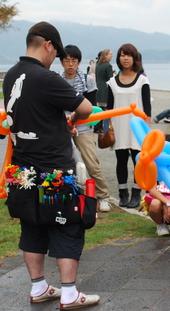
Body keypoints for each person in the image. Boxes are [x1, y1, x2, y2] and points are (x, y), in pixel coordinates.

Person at [2, 21, 99, 310]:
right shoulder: (47, 78)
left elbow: (32, 113)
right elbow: (84, 109)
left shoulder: (10, 75)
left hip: (21, 170)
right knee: (67, 225)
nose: (54, 60)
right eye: (55, 54)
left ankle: (39, 287)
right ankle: (69, 293)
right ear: (48, 45)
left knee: (30, 224)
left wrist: (57, 118)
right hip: (52, 171)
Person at [59, 44, 111, 212]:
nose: (70, 65)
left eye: (73, 61)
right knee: (67, 164)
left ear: (79, 62)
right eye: (66, 61)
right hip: (64, 128)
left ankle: (103, 197)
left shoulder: (87, 80)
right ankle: (74, 196)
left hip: (83, 127)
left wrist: (78, 120)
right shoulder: (58, 81)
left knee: (91, 163)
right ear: (62, 63)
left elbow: (91, 106)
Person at [106, 43, 151, 208]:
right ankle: (122, 194)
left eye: (129, 55)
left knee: (139, 162)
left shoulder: (142, 81)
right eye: (122, 55)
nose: (125, 58)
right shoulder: (112, 82)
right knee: (121, 161)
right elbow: (109, 109)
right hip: (119, 128)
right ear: (119, 58)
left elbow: (148, 109)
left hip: (137, 129)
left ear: (134, 58)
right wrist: (109, 128)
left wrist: (147, 132)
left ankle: (136, 193)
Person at [95, 49, 113, 132]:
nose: (111, 56)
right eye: (110, 54)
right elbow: (111, 80)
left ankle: (98, 128)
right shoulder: (108, 66)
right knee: (107, 112)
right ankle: (106, 130)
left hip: (98, 88)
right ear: (105, 55)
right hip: (106, 90)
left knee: (100, 112)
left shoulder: (98, 65)